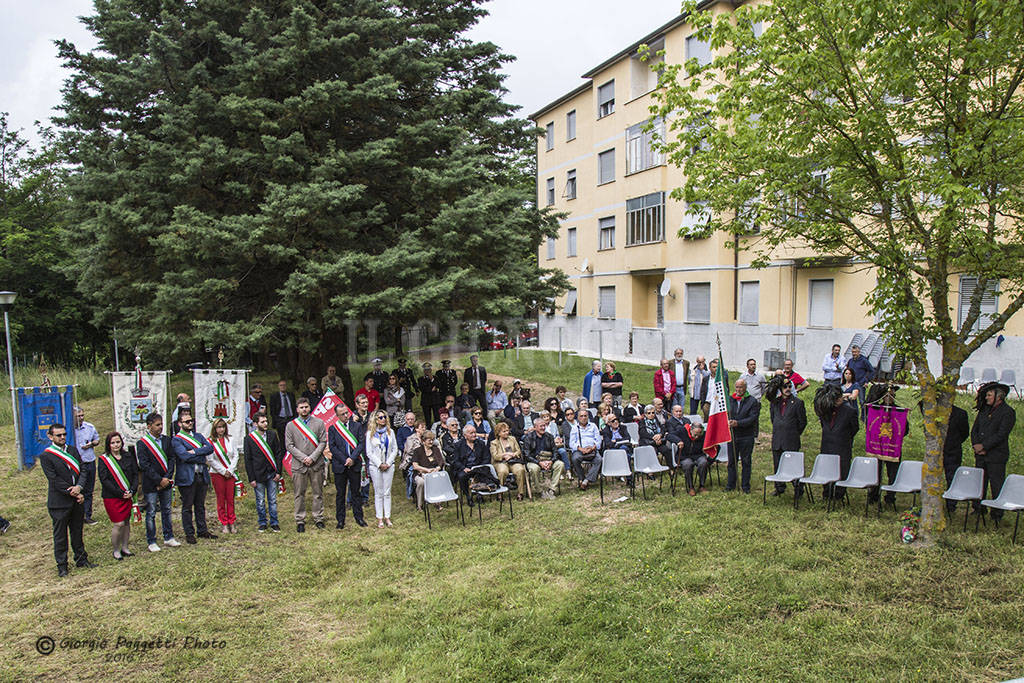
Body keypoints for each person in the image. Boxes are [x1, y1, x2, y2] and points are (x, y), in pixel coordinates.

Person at [40, 423, 95, 576]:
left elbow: (83, 469)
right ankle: (62, 565)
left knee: (77, 531)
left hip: (76, 499)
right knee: (60, 536)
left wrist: (79, 487)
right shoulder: (46, 456)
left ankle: (81, 559)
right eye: (59, 435)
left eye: (64, 434)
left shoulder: (72, 450)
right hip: (59, 502)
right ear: (50, 437)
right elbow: (54, 479)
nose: (62, 437)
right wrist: (74, 492)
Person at [970, 382, 1017, 521]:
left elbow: (1001, 434)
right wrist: (976, 445)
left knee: (996, 484)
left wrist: (984, 446)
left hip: (996, 455)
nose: (986, 398)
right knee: (979, 483)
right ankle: (978, 508)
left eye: (989, 395)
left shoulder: (1008, 412)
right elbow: (975, 430)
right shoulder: (984, 411)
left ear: (998, 396)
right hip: (980, 455)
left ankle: (997, 513)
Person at [136, 413, 180, 551]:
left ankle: (168, 537)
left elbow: (171, 459)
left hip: (166, 481)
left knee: (166, 509)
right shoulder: (142, 443)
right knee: (151, 512)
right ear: (149, 426)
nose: (160, 427)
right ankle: (152, 540)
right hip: (151, 483)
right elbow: (144, 465)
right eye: (157, 425)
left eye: (161, 424)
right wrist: (159, 480)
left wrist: (167, 477)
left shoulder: (167, 440)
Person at [916, 400, 969, 513]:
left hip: (952, 450)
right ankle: (931, 502)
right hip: (935, 450)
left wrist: (952, 442)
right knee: (932, 476)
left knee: (952, 477)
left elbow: (964, 433)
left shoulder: (960, 414)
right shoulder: (932, 412)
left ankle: (951, 505)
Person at [172, 412, 216, 543]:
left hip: (201, 474)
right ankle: (189, 533)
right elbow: (183, 456)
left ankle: (202, 530)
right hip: (187, 477)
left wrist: (195, 452)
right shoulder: (176, 439)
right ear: (180, 424)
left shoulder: (198, 436)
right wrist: (200, 454)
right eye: (187, 421)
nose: (190, 423)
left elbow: (210, 448)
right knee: (187, 506)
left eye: (191, 421)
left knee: (200, 505)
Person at [286, 397, 328, 532]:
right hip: (299, 465)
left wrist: (313, 457)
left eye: (306, 407)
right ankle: (300, 519)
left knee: (318, 493)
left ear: (309, 407)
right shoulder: (291, 425)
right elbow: (289, 445)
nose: (304, 409)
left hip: (316, 464)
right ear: (297, 409)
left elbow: (323, 442)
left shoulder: (319, 423)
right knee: (299, 494)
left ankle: (318, 518)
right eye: (301, 407)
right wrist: (304, 458)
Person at [97, 431, 138, 560]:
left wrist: (132, 490)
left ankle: (125, 548)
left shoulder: (128, 456)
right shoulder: (104, 459)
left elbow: (135, 474)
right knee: (119, 523)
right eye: (113, 443)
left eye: (118, 442)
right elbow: (104, 480)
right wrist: (120, 493)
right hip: (113, 497)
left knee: (126, 522)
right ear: (108, 445)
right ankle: (116, 550)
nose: (116, 445)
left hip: (128, 494)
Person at [815, 384, 860, 499]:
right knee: (826, 468)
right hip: (827, 444)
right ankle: (827, 492)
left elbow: (854, 428)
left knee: (842, 469)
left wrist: (844, 436)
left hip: (842, 445)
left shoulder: (849, 411)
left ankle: (839, 494)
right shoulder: (826, 408)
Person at [327, 403, 368, 529]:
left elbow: (361, 444)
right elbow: (333, 447)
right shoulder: (333, 428)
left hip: (354, 464)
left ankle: (359, 517)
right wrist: (345, 459)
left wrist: (352, 458)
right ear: (337, 415)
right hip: (340, 465)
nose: (346, 416)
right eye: (342, 414)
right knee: (340, 494)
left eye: (346, 413)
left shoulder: (356, 426)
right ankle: (340, 520)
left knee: (356, 492)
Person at [766, 375, 807, 496]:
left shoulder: (798, 402)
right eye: (785, 387)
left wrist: (794, 432)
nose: (788, 389)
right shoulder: (775, 402)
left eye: (790, 386)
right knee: (777, 464)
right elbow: (773, 418)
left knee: (793, 465)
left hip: (791, 439)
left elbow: (802, 422)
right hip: (778, 438)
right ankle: (779, 487)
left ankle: (798, 488)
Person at [243, 413, 284, 532]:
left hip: (271, 472)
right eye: (262, 422)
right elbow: (248, 460)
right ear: (255, 424)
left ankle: (274, 522)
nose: (266, 424)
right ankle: (262, 522)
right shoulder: (249, 439)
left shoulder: (272, 435)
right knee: (260, 500)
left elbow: (278, 453)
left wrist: (278, 471)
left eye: (266, 421)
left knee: (273, 500)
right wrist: (251, 478)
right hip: (258, 474)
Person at [726, 378, 760, 494]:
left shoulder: (752, 401)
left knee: (746, 461)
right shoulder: (730, 400)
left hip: (746, 436)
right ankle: (731, 484)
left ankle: (745, 486)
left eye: (741, 387)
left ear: (745, 388)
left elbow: (752, 418)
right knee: (731, 461)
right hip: (732, 436)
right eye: (737, 387)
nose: (739, 390)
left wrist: (738, 423)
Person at [365, 409, 398, 527]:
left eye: (384, 417)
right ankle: (379, 517)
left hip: (389, 464)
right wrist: (379, 464)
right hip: (376, 466)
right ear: (375, 419)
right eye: (380, 417)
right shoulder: (370, 434)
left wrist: (388, 463)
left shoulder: (391, 432)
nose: (383, 419)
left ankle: (387, 516)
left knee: (387, 491)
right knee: (378, 492)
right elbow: (369, 452)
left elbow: (395, 449)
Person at [206, 417, 239, 535]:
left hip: (230, 473)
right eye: (219, 427)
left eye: (223, 427)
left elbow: (235, 455)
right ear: (214, 429)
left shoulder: (230, 439)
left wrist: (230, 470)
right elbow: (210, 459)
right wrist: (222, 471)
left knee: (230, 498)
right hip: (217, 473)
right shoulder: (210, 441)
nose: (221, 429)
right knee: (221, 498)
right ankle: (224, 522)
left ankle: (232, 521)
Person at [71, 406, 101, 525]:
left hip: (89, 461)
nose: (81, 418)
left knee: (89, 490)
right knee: (76, 489)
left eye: (82, 415)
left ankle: (87, 515)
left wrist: (92, 444)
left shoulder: (89, 427)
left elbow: (97, 440)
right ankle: (76, 515)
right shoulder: (69, 431)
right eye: (78, 416)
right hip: (76, 464)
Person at [523, 417, 565, 499]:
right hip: (534, 461)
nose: (543, 428)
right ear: (535, 427)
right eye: (541, 426)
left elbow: (555, 451)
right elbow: (526, 455)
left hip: (548, 459)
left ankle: (552, 490)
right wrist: (539, 462)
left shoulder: (549, 436)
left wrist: (551, 461)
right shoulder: (528, 437)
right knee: (534, 469)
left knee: (560, 464)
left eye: (544, 426)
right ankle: (540, 491)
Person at [491, 421, 528, 501]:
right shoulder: (494, 443)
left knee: (520, 469)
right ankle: (500, 493)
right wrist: (504, 455)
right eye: (504, 431)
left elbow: (519, 451)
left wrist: (513, 455)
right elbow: (495, 456)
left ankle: (520, 493)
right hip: (501, 462)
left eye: (507, 430)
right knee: (503, 471)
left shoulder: (512, 439)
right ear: (499, 433)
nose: (507, 433)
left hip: (513, 460)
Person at [452, 424, 489, 501]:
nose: (474, 435)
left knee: (483, 472)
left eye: (475, 432)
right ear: (465, 435)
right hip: (465, 468)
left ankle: (479, 493)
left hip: (478, 467)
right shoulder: (458, 445)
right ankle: (468, 496)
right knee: (462, 476)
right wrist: (463, 468)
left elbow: (486, 458)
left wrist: (480, 467)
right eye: (471, 433)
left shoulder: (481, 444)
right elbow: (456, 461)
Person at [411, 430, 446, 511]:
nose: (431, 442)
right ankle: (420, 505)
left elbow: (441, 462)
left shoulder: (435, 449)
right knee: (421, 483)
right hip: (420, 473)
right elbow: (415, 466)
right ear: (423, 441)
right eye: (429, 440)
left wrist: (437, 468)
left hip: (434, 472)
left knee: (437, 479)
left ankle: (437, 502)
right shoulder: (417, 451)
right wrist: (426, 470)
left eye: (432, 440)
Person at [569, 409, 602, 490]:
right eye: (581, 416)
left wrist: (592, 448)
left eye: (585, 416)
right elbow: (571, 443)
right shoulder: (574, 428)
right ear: (578, 418)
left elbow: (598, 441)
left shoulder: (593, 426)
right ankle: (582, 477)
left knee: (599, 460)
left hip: (592, 450)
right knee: (575, 458)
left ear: (588, 417)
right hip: (580, 450)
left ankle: (586, 481)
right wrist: (581, 449)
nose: (583, 418)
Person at [675, 422, 709, 495]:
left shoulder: (704, 434)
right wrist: (678, 441)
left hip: (698, 454)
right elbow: (670, 435)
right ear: (691, 430)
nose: (697, 437)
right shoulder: (682, 431)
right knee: (688, 464)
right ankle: (691, 487)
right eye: (695, 434)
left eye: (699, 434)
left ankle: (702, 485)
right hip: (684, 456)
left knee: (703, 462)